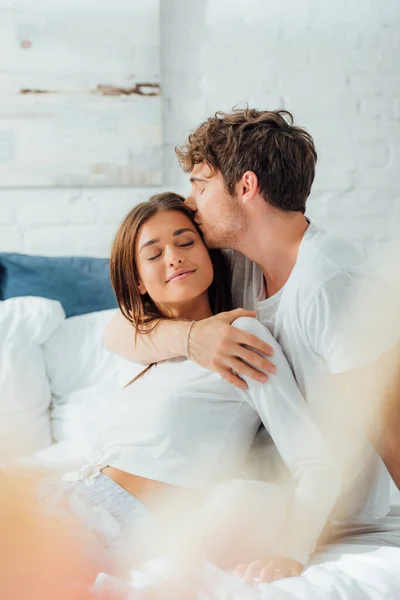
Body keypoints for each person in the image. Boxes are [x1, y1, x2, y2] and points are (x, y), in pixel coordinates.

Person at [104, 109, 400, 563]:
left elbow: (393, 429)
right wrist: (192, 338)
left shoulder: (334, 285)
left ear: (245, 186)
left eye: (201, 184)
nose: (191, 199)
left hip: (348, 520)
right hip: (260, 507)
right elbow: (120, 328)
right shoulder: (240, 261)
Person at [55, 192, 340, 582]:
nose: (173, 256)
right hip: (71, 502)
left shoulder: (240, 337)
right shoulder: (148, 349)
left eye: (186, 242)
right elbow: (116, 331)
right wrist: (190, 338)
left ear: (209, 255)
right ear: (137, 281)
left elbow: (316, 463)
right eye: (154, 254)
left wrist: (291, 551)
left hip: (118, 525)